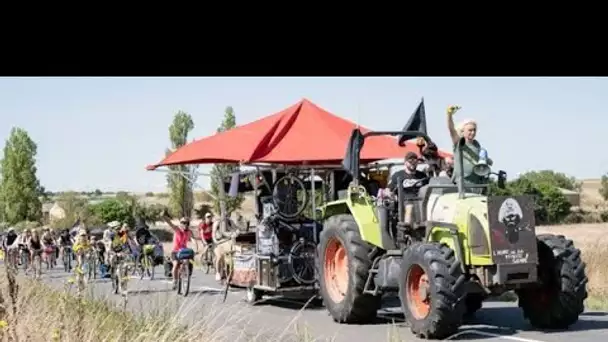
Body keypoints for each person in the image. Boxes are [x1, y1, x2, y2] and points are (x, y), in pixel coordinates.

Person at [446, 105, 492, 186]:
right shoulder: (459, 142)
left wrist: (488, 161)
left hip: (476, 183)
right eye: (470, 130)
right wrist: (449, 115)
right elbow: (451, 129)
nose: (473, 132)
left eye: (474, 130)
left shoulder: (477, 145)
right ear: (463, 131)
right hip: (461, 184)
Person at [162, 212, 199, 289]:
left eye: (186, 223)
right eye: (183, 222)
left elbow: (193, 240)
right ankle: (175, 281)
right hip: (175, 251)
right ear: (180, 223)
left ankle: (186, 273)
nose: (184, 224)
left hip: (183, 251)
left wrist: (196, 249)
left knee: (187, 261)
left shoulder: (189, 232)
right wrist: (164, 217)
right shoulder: (177, 229)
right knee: (175, 264)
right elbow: (170, 223)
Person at [212, 215, 239, 282]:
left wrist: (235, 233)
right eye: (224, 216)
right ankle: (218, 273)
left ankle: (230, 273)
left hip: (227, 241)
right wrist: (215, 240)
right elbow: (213, 233)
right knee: (219, 256)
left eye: (227, 216)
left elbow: (236, 229)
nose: (225, 217)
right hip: (218, 242)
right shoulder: (217, 223)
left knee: (231, 255)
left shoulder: (230, 222)